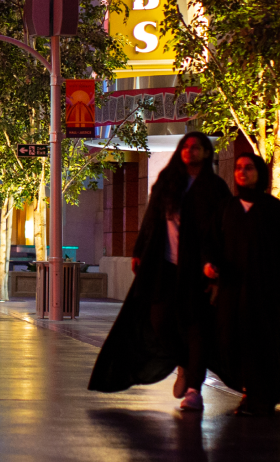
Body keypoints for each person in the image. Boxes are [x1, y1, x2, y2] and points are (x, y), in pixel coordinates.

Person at [88, 131, 230, 413]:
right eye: (186, 147)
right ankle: (184, 364)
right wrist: (140, 251)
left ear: (206, 152)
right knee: (159, 321)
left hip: (199, 270)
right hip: (164, 266)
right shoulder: (168, 182)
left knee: (196, 328)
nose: (190, 152)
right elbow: (152, 218)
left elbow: (223, 230)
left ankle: (194, 390)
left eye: (197, 147)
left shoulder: (215, 188)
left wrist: (218, 268)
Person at [212, 154, 280, 415]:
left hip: (263, 292)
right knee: (230, 340)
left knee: (262, 343)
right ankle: (248, 390)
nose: (242, 172)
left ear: (259, 172)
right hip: (232, 291)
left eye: (249, 168)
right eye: (239, 168)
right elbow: (213, 244)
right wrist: (210, 265)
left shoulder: (273, 208)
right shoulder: (227, 208)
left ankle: (258, 395)